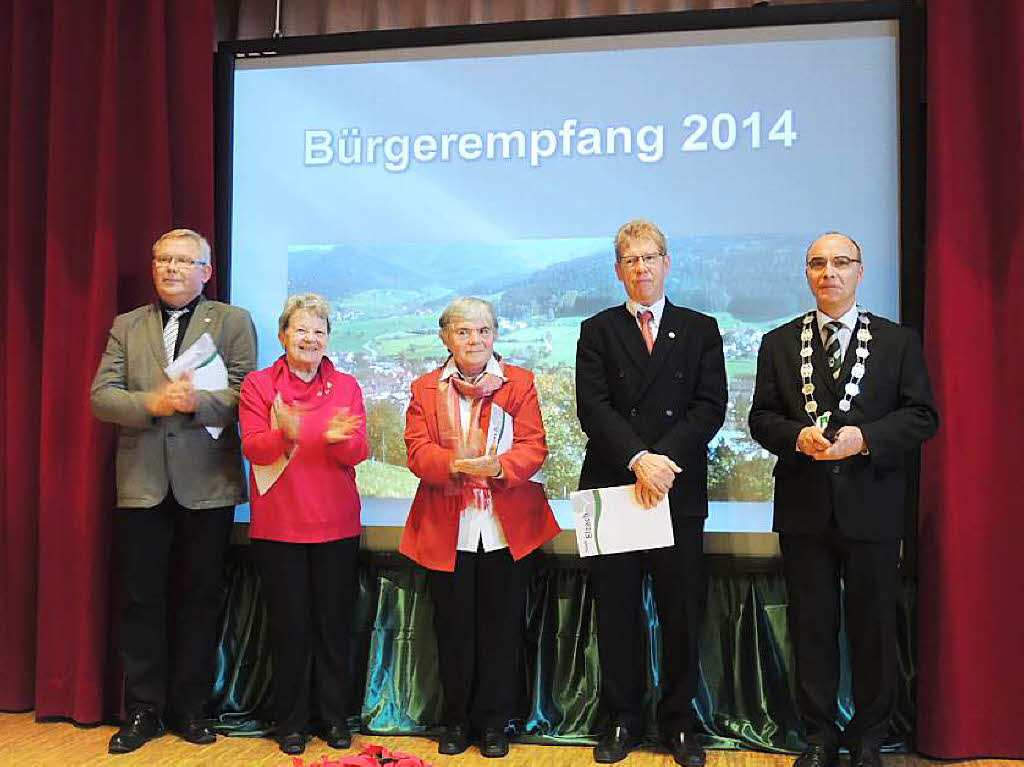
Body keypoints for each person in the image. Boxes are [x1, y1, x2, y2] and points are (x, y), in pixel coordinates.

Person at [748, 232, 938, 767]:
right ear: (806, 274)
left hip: (873, 508)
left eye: (840, 263)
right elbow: (761, 418)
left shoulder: (898, 342)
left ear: (860, 271)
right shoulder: (779, 342)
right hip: (805, 510)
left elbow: (923, 416)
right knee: (812, 624)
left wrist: (867, 438)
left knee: (874, 624)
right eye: (817, 264)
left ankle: (870, 735)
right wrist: (795, 437)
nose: (828, 272)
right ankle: (819, 735)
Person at [90, 228, 257, 754]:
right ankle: (143, 710)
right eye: (163, 258)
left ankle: (191, 709)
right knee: (142, 600)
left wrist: (194, 405)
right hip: (142, 484)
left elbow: (244, 394)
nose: (172, 268)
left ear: (207, 271)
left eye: (185, 261)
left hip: (206, 485)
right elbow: (101, 398)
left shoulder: (230, 321)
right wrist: (152, 405)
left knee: (199, 599)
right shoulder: (127, 325)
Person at [576, 220, 727, 766]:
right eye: (630, 260)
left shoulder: (701, 328)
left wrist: (662, 463)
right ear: (618, 270)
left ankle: (680, 723)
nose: (641, 268)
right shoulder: (596, 330)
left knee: (681, 610)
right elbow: (593, 408)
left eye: (650, 258)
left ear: (668, 264)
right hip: (615, 486)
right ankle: (622, 719)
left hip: (676, 489)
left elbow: (709, 407)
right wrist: (639, 459)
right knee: (616, 613)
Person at [400, 297, 560, 759]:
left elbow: (534, 447)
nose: (475, 340)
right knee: (453, 630)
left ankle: (494, 724)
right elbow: (415, 453)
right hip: (446, 528)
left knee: (502, 630)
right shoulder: (424, 388)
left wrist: (498, 467)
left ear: (495, 336)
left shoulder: (521, 383)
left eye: (484, 331)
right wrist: (456, 463)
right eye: (465, 332)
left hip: (507, 527)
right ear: (445, 337)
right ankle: (456, 722)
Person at [238, 293, 368, 756]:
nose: (310, 338)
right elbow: (255, 449)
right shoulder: (258, 385)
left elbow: (359, 453)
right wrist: (283, 433)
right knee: (289, 628)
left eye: (319, 331)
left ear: (328, 338)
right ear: (283, 336)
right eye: (301, 330)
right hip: (279, 527)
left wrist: (337, 442)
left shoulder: (347, 386)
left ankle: (334, 719)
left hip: (336, 523)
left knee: (333, 627)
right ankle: (290, 722)